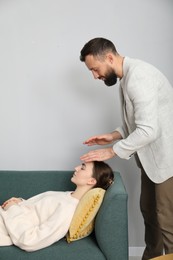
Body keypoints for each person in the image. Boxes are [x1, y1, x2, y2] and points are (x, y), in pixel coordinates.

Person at [79, 37, 173, 260]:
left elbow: (149, 130)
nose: (95, 76)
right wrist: (111, 136)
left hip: (165, 163)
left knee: (167, 222)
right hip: (151, 164)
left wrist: (112, 150)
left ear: (109, 57)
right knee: (150, 215)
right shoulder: (128, 77)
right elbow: (140, 122)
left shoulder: (138, 77)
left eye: (95, 69)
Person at [0, 161, 114, 252]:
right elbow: (38, 212)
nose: (76, 168)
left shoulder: (67, 210)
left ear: (91, 181)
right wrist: (19, 202)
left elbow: (30, 241)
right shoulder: (67, 195)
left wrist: (13, 208)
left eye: (82, 168)